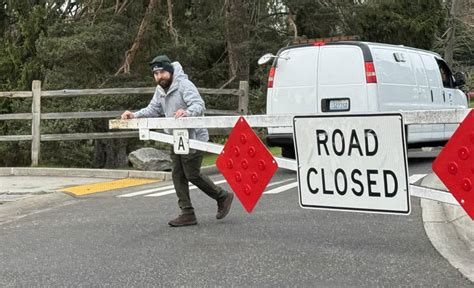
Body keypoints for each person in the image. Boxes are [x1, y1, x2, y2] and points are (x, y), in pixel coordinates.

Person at [121, 55, 234, 227]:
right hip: (177, 137)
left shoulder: (184, 85)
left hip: (194, 136)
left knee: (192, 174)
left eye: (162, 72)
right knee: (178, 175)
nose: (159, 77)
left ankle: (222, 196)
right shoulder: (160, 90)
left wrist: (186, 112)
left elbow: (199, 105)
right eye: (156, 74)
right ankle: (187, 213)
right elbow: (153, 109)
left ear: (170, 71)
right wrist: (134, 115)